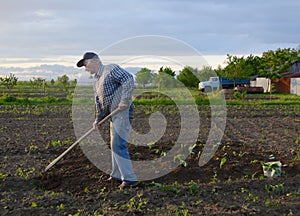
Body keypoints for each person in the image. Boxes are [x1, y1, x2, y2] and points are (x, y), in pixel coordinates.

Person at [77, 52, 138, 188]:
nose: (86, 69)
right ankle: (116, 175)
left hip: (122, 112)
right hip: (112, 115)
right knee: (114, 144)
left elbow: (128, 79)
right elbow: (100, 103)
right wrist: (98, 119)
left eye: (85, 64)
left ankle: (130, 179)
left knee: (118, 144)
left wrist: (125, 100)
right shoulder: (97, 82)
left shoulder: (110, 69)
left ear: (94, 61)